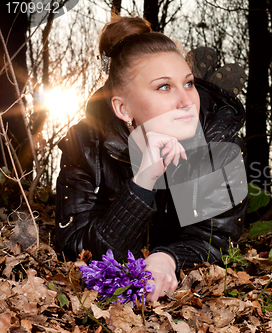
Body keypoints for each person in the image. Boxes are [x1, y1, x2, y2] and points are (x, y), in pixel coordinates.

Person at [54, 16, 248, 302]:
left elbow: (217, 241)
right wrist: (142, 182)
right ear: (123, 108)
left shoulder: (217, 138)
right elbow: (75, 247)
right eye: (164, 87)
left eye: (189, 83)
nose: (187, 102)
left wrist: (168, 258)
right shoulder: (85, 143)